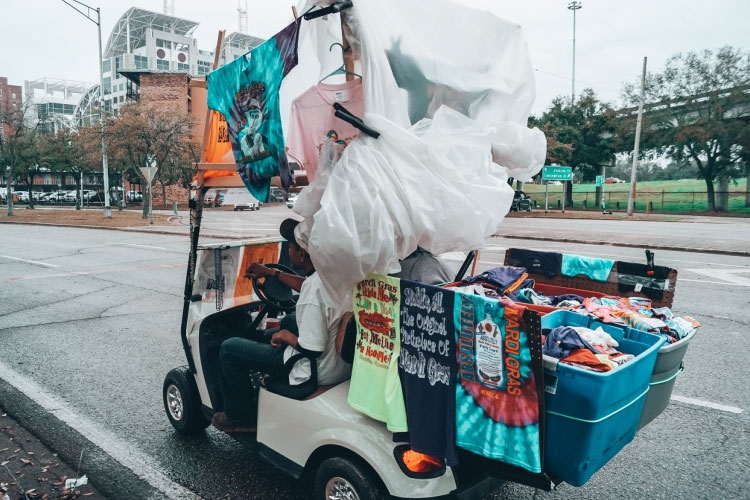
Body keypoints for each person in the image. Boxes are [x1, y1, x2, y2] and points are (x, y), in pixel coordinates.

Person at [211, 218, 351, 433]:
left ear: (302, 254)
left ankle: (241, 417)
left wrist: (285, 336)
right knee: (288, 319)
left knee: (230, 348)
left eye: (290, 247)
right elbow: (305, 285)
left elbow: (312, 349)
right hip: (338, 365)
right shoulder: (334, 277)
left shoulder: (313, 296)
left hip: (314, 369)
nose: (288, 250)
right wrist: (270, 273)